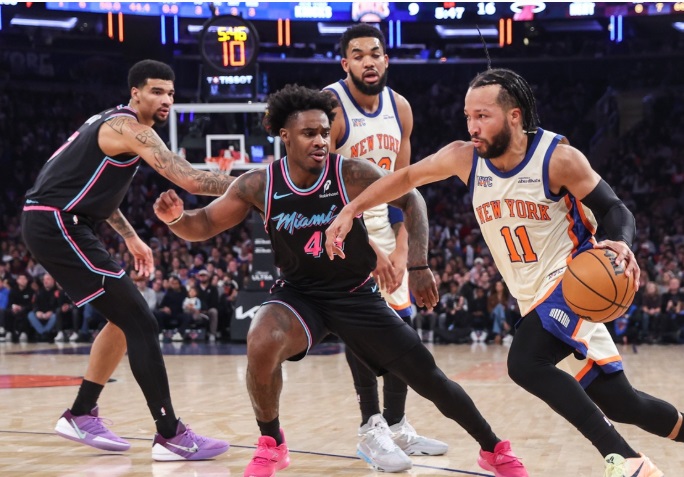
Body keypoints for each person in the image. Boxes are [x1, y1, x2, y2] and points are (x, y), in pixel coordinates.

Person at [324, 67, 684, 477]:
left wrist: (620, 241)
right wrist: (351, 209)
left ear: (514, 116)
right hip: (531, 296)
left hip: (575, 280)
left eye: (483, 116)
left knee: (525, 362)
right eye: (468, 116)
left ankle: (626, 460)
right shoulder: (463, 157)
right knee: (622, 403)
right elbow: (405, 178)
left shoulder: (558, 158)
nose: (472, 127)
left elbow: (614, 208)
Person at [153, 84, 527, 477]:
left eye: (324, 132)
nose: (320, 140)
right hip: (300, 296)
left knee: (428, 377)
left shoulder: (349, 172)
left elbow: (411, 198)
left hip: (355, 294)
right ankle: (272, 444)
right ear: (285, 136)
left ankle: (493, 448)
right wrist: (176, 218)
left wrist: (418, 265)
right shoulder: (259, 184)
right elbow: (205, 223)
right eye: (308, 133)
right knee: (261, 339)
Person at [20, 59, 230, 460]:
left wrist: (131, 236)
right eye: (157, 91)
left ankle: (82, 412)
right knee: (141, 320)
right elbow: (188, 177)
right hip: (57, 223)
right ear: (136, 93)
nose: (166, 99)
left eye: (170, 93)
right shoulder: (127, 127)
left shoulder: (115, 126)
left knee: (122, 320)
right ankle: (170, 434)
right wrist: (259, 184)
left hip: (64, 221)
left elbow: (94, 191)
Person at [323, 24, 447, 469]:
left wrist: (400, 250)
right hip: (338, 224)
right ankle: (369, 427)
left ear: (386, 60)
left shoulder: (401, 108)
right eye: (358, 55)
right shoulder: (332, 107)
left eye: (375, 53)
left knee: (401, 328)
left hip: (383, 226)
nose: (368, 61)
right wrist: (369, 252)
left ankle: (396, 425)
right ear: (345, 63)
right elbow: (324, 192)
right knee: (362, 329)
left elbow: (403, 187)